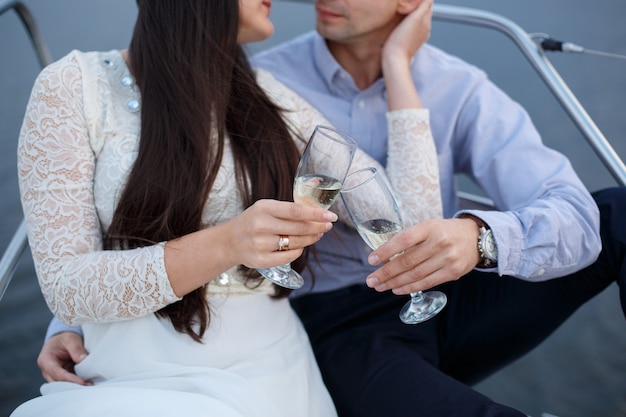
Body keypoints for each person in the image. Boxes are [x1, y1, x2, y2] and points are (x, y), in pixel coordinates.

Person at [35, 0, 626, 416]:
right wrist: (73, 320)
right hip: (324, 319)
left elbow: (402, 222)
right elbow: (104, 238)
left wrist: (400, 70)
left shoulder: (268, 97)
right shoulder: (248, 78)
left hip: (402, 290)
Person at [11, 0, 442, 416]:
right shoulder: (73, 85)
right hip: (129, 365)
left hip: (269, 367)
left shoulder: (267, 95)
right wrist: (228, 242)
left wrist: (397, 64)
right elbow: (67, 288)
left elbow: (413, 228)